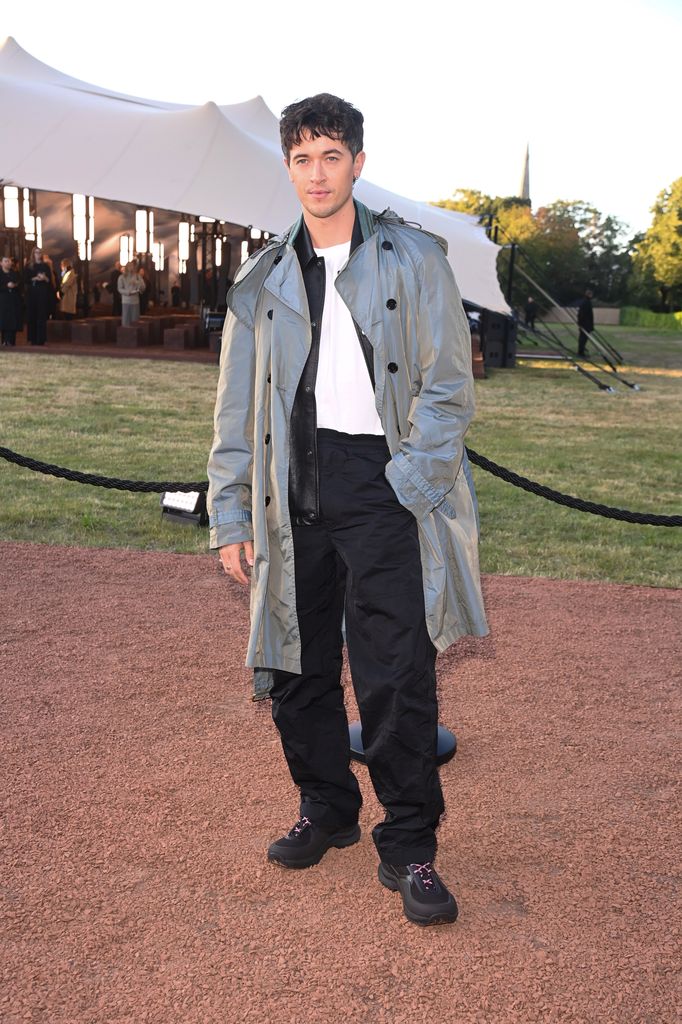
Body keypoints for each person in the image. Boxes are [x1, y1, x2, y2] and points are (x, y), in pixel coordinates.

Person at [207, 93, 488, 927]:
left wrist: (409, 483)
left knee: (395, 671)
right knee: (294, 666)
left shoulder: (413, 258)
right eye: (302, 158)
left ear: (357, 163)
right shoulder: (263, 276)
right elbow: (234, 409)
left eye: (332, 155)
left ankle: (410, 844)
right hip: (290, 482)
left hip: (383, 484)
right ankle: (327, 807)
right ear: (288, 167)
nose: (317, 173)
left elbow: (448, 388)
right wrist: (232, 514)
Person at [23, 247, 55, 345]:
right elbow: (25, 280)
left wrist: (45, 278)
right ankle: (32, 339)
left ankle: (41, 339)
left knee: (42, 315)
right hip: (32, 292)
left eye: (39, 252)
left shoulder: (45, 266)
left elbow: (50, 281)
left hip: (43, 292)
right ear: (33, 254)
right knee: (32, 315)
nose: (38, 254)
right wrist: (35, 278)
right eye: (36, 253)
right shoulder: (29, 266)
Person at [0, 254, 23, 346]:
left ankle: (11, 342)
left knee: (13, 321)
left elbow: (20, 284)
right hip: (3, 301)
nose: (8, 263)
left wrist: (15, 285)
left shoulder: (15, 273)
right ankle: (4, 341)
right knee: (4, 321)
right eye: (6, 261)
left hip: (13, 300)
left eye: (9, 261)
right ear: (1, 263)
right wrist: (6, 286)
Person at [577, 289, 594, 356]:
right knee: (583, 338)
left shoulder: (585, 302)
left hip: (585, 324)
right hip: (585, 324)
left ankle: (581, 350)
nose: (592, 296)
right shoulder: (586, 302)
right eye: (591, 294)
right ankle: (581, 352)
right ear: (589, 294)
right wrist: (581, 323)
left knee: (583, 338)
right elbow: (583, 314)